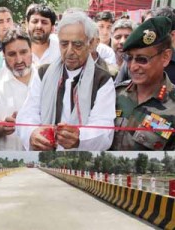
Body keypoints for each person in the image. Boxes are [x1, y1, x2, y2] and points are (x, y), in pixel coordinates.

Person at [16, 12, 116, 151]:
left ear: (91, 43)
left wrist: (80, 137)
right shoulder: (44, 73)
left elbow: (104, 128)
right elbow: (28, 113)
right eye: (64, 44)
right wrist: (32, 133)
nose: (69, 51)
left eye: (77, 44)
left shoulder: (102, 79)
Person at [111, 17, 175, 150]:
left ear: (165, 57)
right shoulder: (115, 94)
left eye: (142, 59)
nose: (133, 67)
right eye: (128, 58)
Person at [0, 29, 36, 150]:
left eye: (23, 52)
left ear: (31, 51)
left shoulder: (46, 79)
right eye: (12, 54)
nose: (19, 60)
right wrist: (0, 127)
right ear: (3, 55)